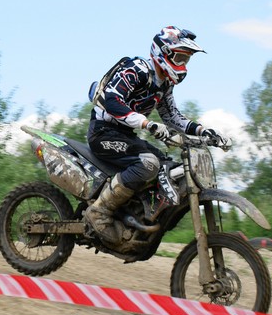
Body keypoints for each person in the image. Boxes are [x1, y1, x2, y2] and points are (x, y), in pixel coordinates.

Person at [84, 25, 230, 244]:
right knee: (148, 164)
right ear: (164, 52)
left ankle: (134, 214)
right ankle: (99, 212)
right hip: (103, 132)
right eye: (180, 57)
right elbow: (112, 100)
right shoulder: (137, 69)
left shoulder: (165, 85)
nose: (183, 64)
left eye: (186, 60)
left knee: (168, 167)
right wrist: (147, 123)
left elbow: (173, 117)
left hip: (125, 135)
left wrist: (204, 131)